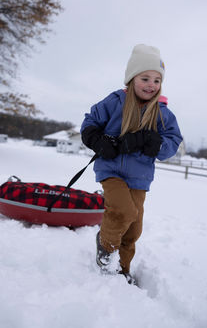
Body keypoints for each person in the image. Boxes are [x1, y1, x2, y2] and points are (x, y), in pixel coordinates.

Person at [80, 44, 183, 284]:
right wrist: (97, 140)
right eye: (145, 78)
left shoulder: (163, 114)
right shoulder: (115, 101)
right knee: (123, 211)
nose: (151, 85)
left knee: (134, 228)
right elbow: (90, 122)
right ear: (131, 78)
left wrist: (154, 143)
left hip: (140, 177)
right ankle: (106, 251)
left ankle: (123, 269)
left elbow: (173, 141)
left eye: (157, 80)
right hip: (111, 170)